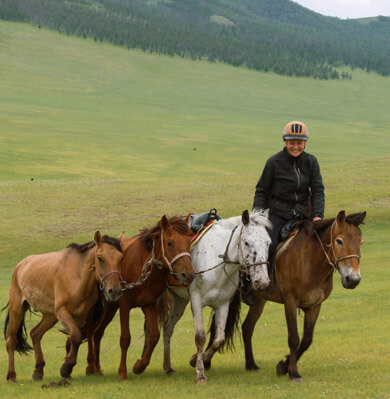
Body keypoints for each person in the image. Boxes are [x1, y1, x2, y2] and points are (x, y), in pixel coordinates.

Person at [242, 121, 325, 305]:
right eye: (291, 142)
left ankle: (314, 286)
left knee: (320, 247)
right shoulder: (274, 162)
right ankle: (248, 286)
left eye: (299, 142)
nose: (295, 146)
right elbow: (262, 191)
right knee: (266, 245)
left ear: (305, 143)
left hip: (304, 215)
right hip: (278, 214)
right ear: (285, 141)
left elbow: (318, 190)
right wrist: (258, 217)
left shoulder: (311, 162)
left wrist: (318, 215)